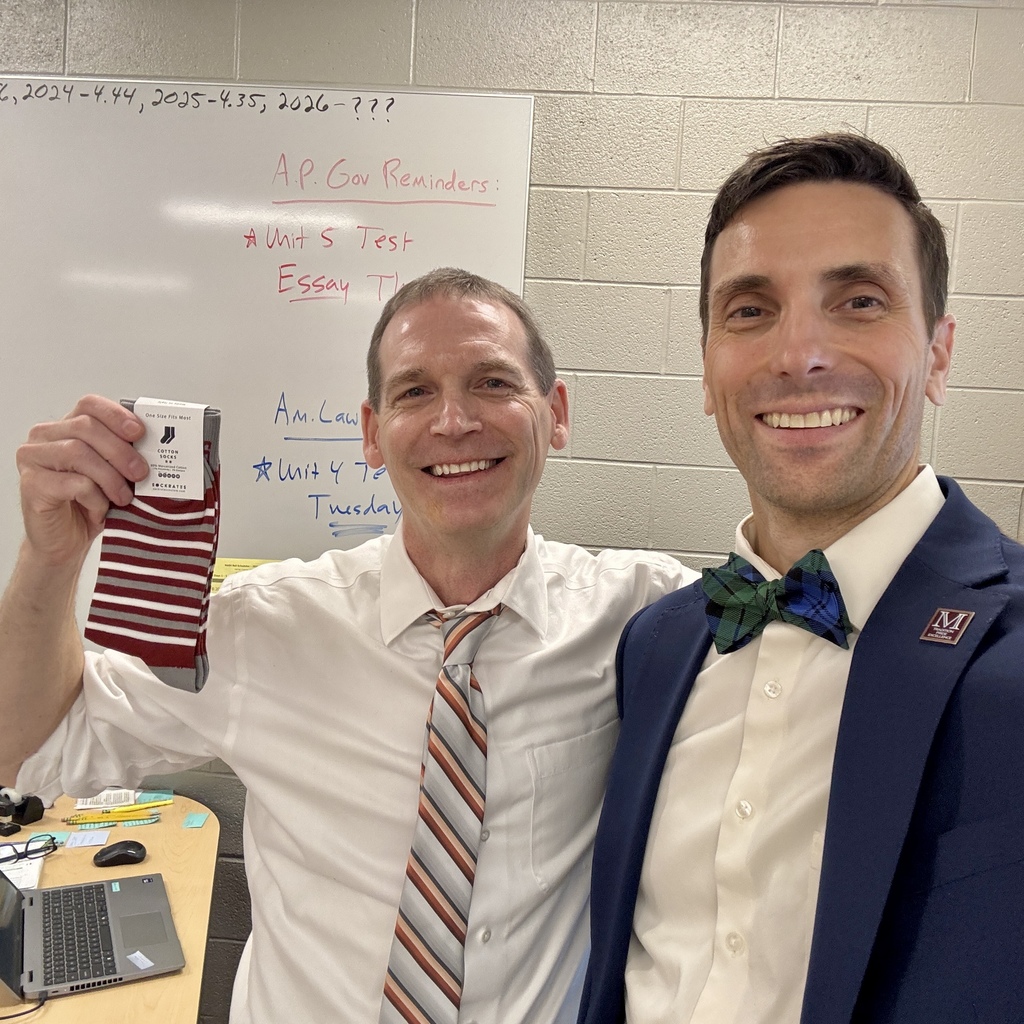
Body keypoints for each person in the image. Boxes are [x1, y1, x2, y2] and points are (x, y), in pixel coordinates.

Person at [0, 268, 697, 1024]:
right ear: (371, 432)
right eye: (414, 392)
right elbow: (29, 747)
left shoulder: (643, 617)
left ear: (555, 413)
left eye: (494, 383)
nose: (454, 421)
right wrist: (49, 559)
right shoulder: (263, 626)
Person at [578, 134, 1024, 1024]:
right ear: (706, 366)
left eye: (859, 300)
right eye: (750, 311)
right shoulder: (656, 647)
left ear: (937, 353)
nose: (799, 354)